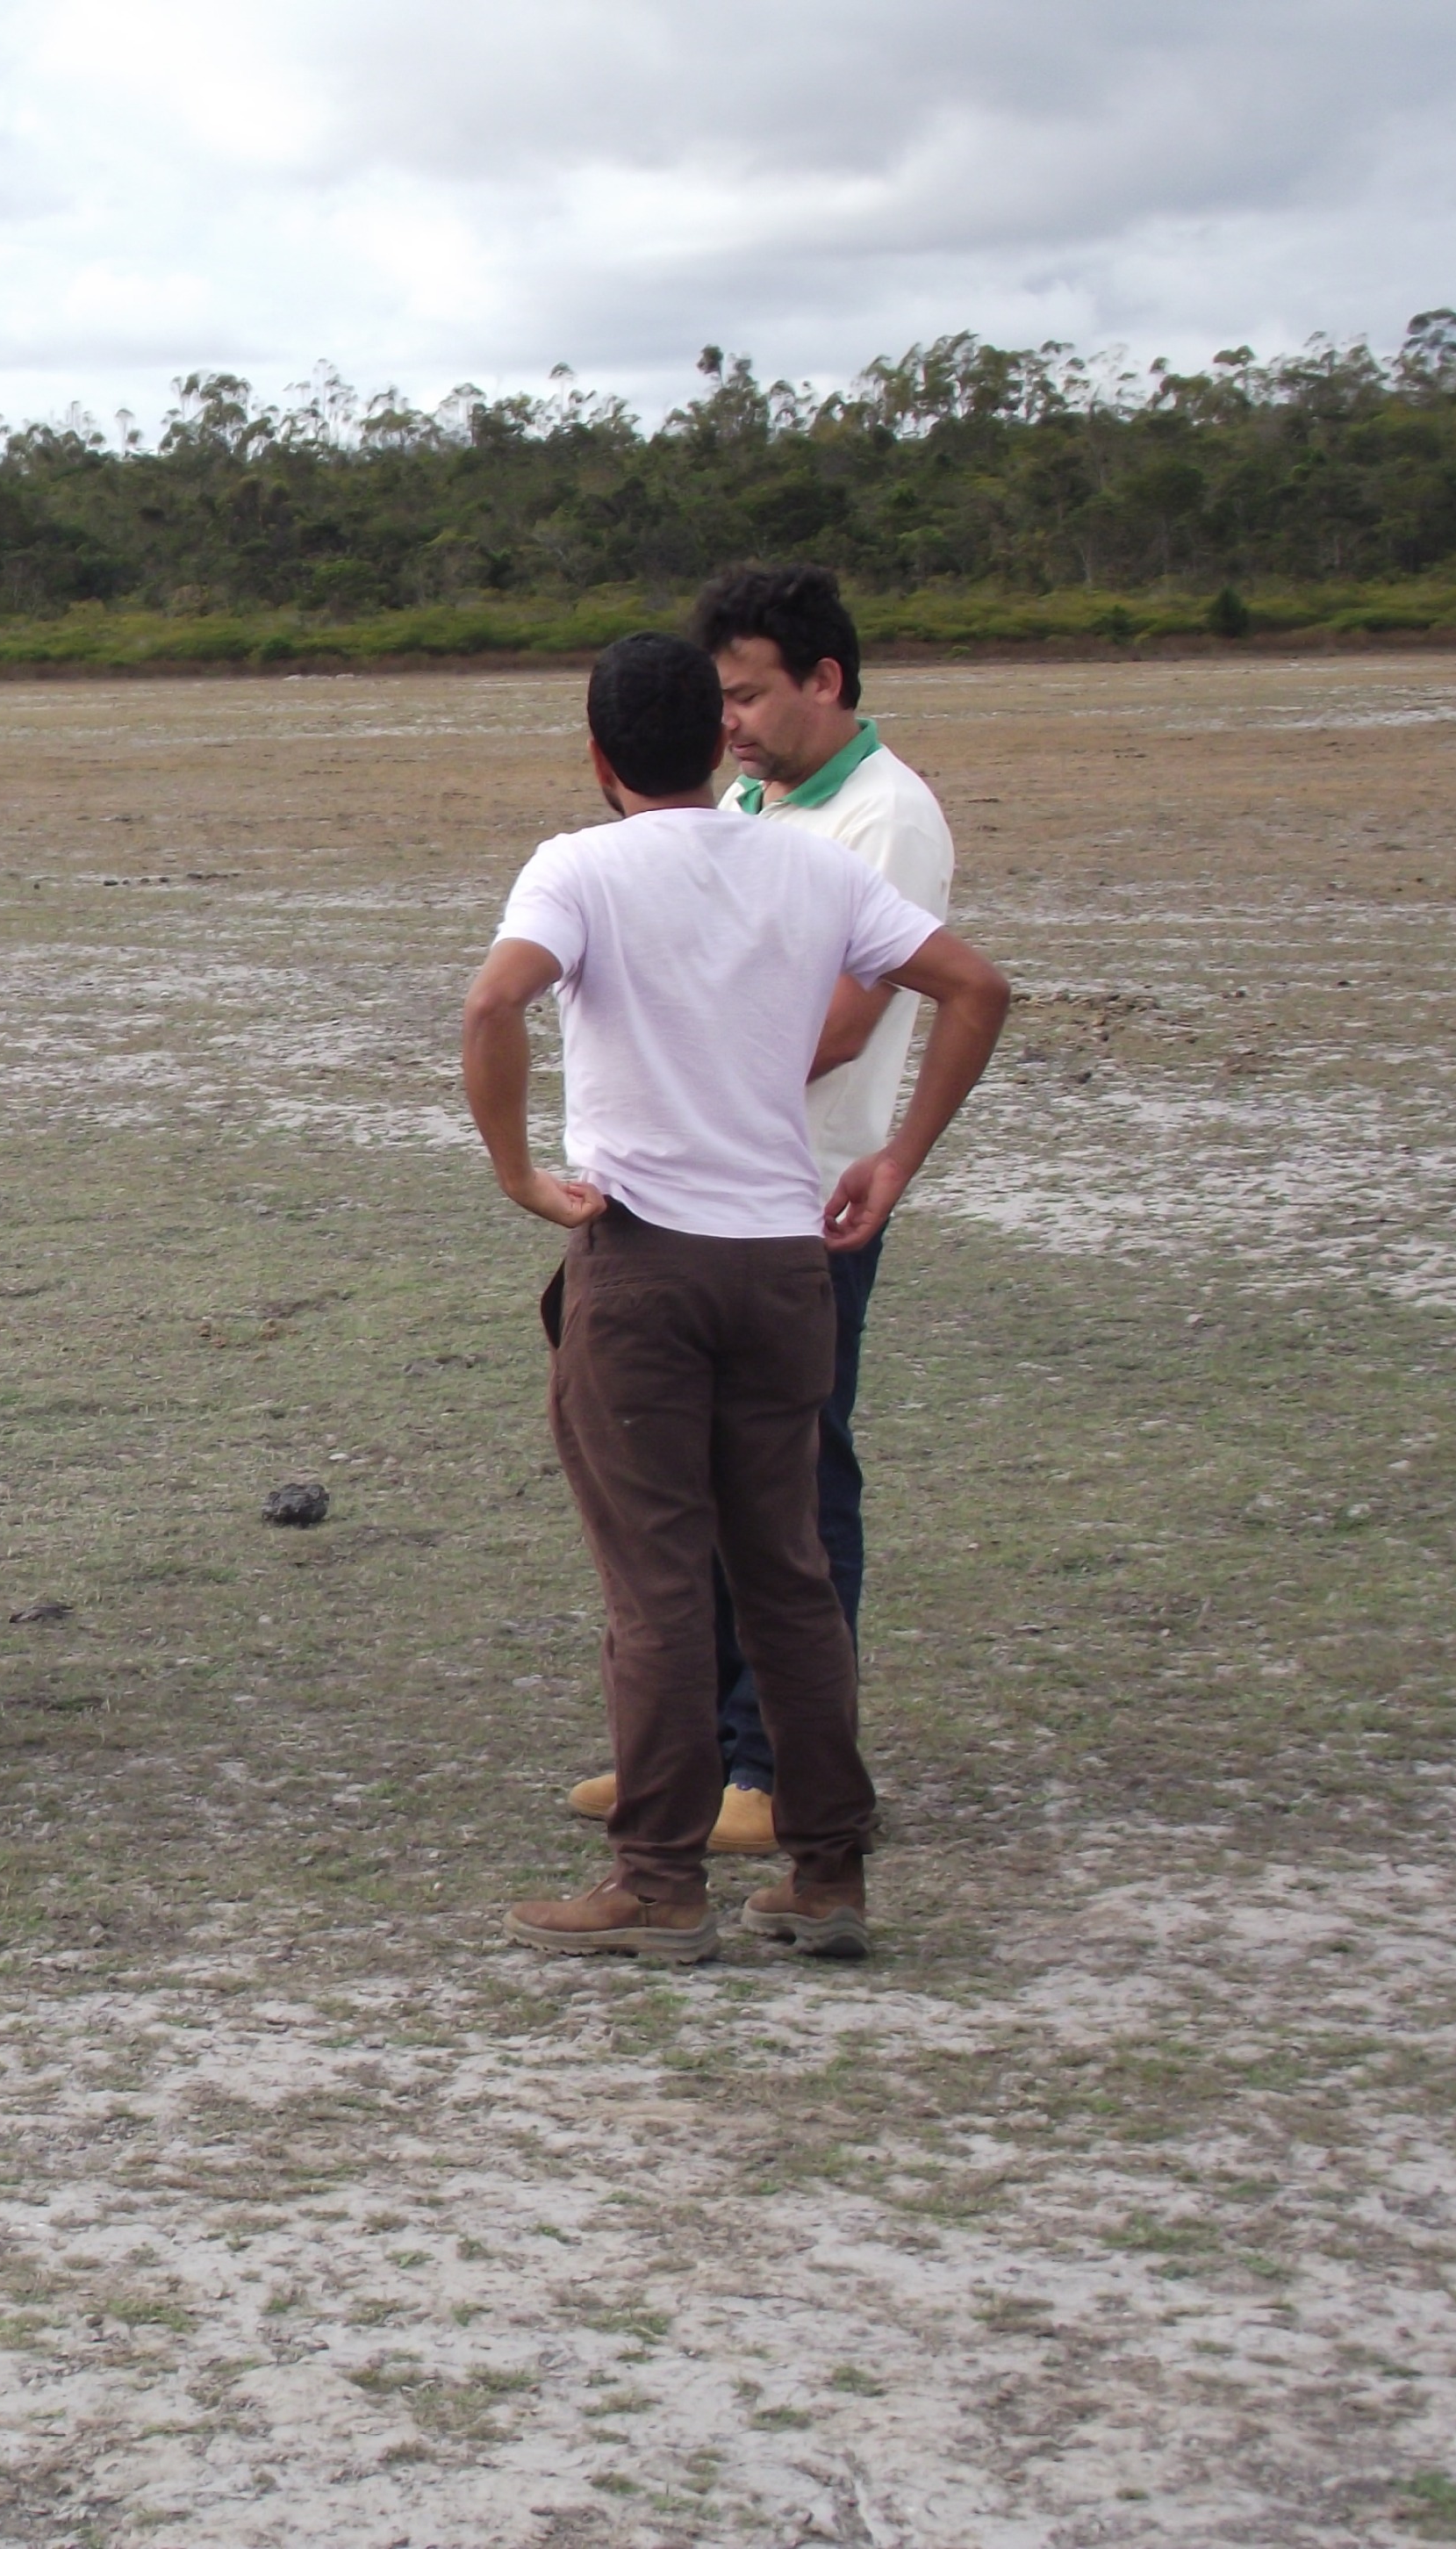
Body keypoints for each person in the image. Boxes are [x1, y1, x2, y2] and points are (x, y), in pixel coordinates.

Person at [462, 633, 1007, 1960]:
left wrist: (522, 1174)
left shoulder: (576, 867)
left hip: (645, 1263)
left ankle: (656, 1880)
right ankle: (827, 1871)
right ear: (719, 740)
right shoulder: (811, 860)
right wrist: (894, 1160)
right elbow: (975, 988)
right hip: (781, 1265)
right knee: (788, 1575)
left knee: (655, 1582)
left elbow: (494, 1006)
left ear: (597, 757)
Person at [562, 565, 958, 1856]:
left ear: (825, 681)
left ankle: (771, 1767)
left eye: (748, 696)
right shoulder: (749, 801)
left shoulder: (884, 823)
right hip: (701, 1200)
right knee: (690, 1486)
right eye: (717, 702)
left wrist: (684, 1093)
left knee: (793, 1490)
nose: (728, 723)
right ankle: (690, 1760)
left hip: (798, 1197)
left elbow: (845, 1025)